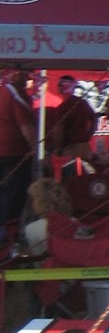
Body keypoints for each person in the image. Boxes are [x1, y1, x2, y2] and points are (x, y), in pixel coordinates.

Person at [0, 69, 36, 235]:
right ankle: (8, 238)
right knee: (12, 198)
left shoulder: (3, 91)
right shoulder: (15, 93)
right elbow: (26, 127)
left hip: (7, 153)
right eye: (26, 73)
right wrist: (36, 149)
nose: (29, 77)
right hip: (14, 154)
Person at [47, 75, 98, 158]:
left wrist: (57, 148)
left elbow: (59, 129)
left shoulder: (63, 107)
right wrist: (89, 135)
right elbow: (95, 117)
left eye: (60, 84)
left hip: (71, 149)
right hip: (85, 147)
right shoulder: (82, 102)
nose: (58, 87)